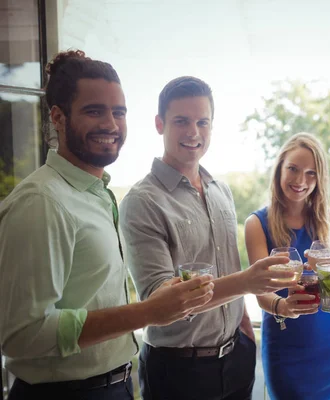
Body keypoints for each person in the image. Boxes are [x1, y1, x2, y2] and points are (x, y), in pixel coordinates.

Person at [0, 51, 215, 400]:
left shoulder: (97, 194)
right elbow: (22, 334)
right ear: (57, 117)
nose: (111, 125)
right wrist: (147, 312)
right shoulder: (41, 201)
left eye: (119, 112)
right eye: (94, 111)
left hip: (115, 385)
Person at [119, 76, 297, 400]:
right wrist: (247, 283)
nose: (193, 132)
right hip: (179, 371)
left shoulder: (221, 190)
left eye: (203, 122)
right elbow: (162, 301)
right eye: (181, 121)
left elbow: (226, 266)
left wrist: (243, 326)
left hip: (236, 356)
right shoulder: (141, 202)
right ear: (160, 124)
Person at [244, 132, 330, 400]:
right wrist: (283, 307)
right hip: (284, 343)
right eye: (293, 169)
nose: (301, 180)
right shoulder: (257, 223)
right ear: (280, 169)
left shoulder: (324, 221)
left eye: (311, 173)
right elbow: (260, 292)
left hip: (327, 343)